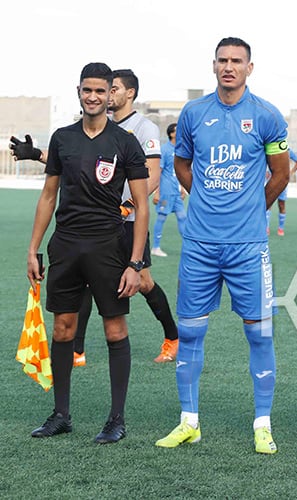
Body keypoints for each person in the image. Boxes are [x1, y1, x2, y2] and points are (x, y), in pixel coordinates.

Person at [154, 37, 290, 455]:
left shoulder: (267, 116)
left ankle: (262, 425)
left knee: (259, 335)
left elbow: (281, 174)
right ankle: (189, 422)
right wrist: (202, 196)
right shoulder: (194, 113)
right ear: (213, 66)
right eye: (222, 60)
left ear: (250, 68)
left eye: (237, 61)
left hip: (248, 246)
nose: (229, 67)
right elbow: (181, 162)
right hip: (199, 243)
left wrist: (253, 208)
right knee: (190, 332)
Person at [12, 69, 180, 365]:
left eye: (114, 89)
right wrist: (37, 154)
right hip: (98, 226)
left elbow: (153, 174)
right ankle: (77, 349)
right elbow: (76, 160)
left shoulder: (143, 129)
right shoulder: (98, 125)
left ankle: (173, 337)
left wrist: (127, 206)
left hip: (128, 221)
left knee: (142, 281)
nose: (107, 94)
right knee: (87, 280)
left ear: (130, 93)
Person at [21, 62, 149, 444]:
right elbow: (49, 196)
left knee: (114, 329)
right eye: (87, 90)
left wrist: (135, 263)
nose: (93, 97)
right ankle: (61, 415)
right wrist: (33, 249)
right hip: (66, 246)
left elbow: (142, 206)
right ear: (78, 92)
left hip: (108, 247)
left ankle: (116, 420)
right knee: (63, 327)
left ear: (111, 94)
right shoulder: (63, 138)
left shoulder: (125, 142)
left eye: (100, 91)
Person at [151, 122, 187, 256]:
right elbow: (159, 171)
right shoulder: (165, 149)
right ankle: (155, 247)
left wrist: (182, 187)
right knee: (162, 217)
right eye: (177, 130)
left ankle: (188, 247)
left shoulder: (180, 150)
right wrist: (157, 192)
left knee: (183, 217)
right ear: (171, 134)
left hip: (176, 191)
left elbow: (179, 171)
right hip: (166, 191)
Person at [266, 148, 297, 236]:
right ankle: (266, 228)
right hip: (269, 181)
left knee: (281, 204)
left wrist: (291, 172)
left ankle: (281, 228)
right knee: (267, 203)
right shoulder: (268, 148)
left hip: (281, 182)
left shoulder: (286, 150)